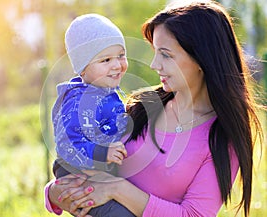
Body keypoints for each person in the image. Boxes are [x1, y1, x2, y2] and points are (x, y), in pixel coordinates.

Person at [45, 1, 264, 217]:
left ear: (201, 58)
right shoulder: (141, 105)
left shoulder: (221, 138)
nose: (154, 64)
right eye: (155, 52)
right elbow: (78, 161)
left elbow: (194, 214)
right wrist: (55, 193)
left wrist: (118, 189)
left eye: (166, 55)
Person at [49, 13, 135, 217]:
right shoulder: (77, 101)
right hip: (75, 172)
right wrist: (102, 152)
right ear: (83, 69)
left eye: (121, 56)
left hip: (100, 172)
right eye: (105, 59)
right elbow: (67, 144)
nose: (116, 65)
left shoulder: (107, 91)